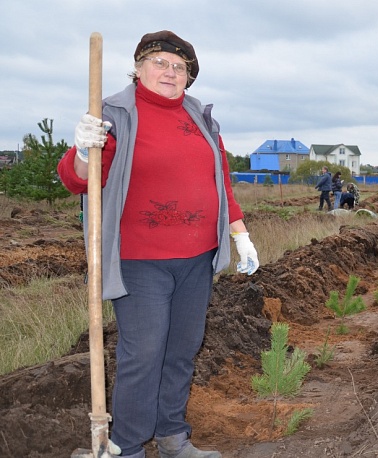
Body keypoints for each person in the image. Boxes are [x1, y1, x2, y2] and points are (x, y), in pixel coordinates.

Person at [57, 31, 259, 457]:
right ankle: (126, 447)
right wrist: (81, 148)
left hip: (197, 258)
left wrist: (240, 235)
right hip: (139, 260)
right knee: (143, 353)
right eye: (160, 62)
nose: (170, 72)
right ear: (139, 67)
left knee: (183, 349)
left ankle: (172, 438)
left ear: (189, 76)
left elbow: (221, 181)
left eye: (179, 67)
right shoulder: (114, 113)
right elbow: (78, 178)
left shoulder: (199, 117)